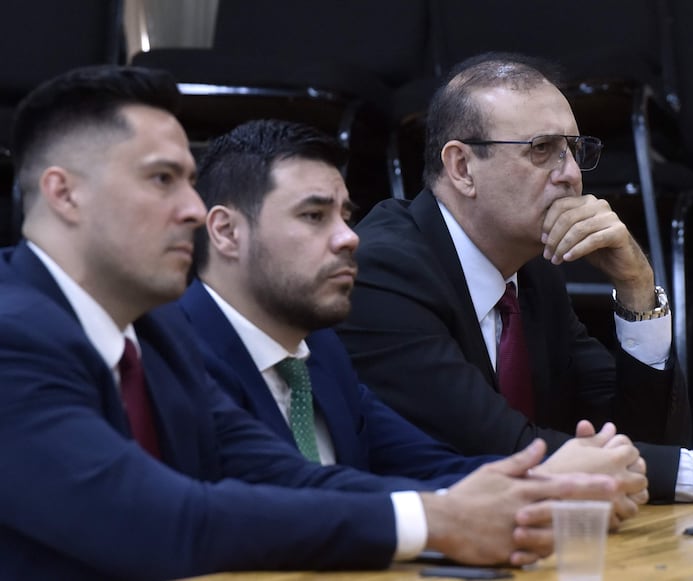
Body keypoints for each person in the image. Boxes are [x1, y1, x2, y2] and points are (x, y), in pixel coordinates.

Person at [0, 64, 621, 580]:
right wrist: (433, 521)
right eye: (162, 179)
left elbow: (290, 476)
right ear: (64, 193)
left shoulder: (155, 336)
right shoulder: (13, 336)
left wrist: (524, 491)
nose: (191, 209)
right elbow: (158, 519)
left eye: (190, 182)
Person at [337, 52, 693, 503]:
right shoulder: (384, 271)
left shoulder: (533, 272)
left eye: (575, 151)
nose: (572, 176)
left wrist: (638, 289)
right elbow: (508, 452)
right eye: (542, 149)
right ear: (462, 167)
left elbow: (642, 442)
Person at [179, 117, 647, 527]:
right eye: (313, 216)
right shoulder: (173, 351)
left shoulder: (320, 352)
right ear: (225, 232)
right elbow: (290, 492)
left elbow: (430, 466)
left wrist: (555, 478)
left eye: (344, 216)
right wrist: (546, 480)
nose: (347, 238)